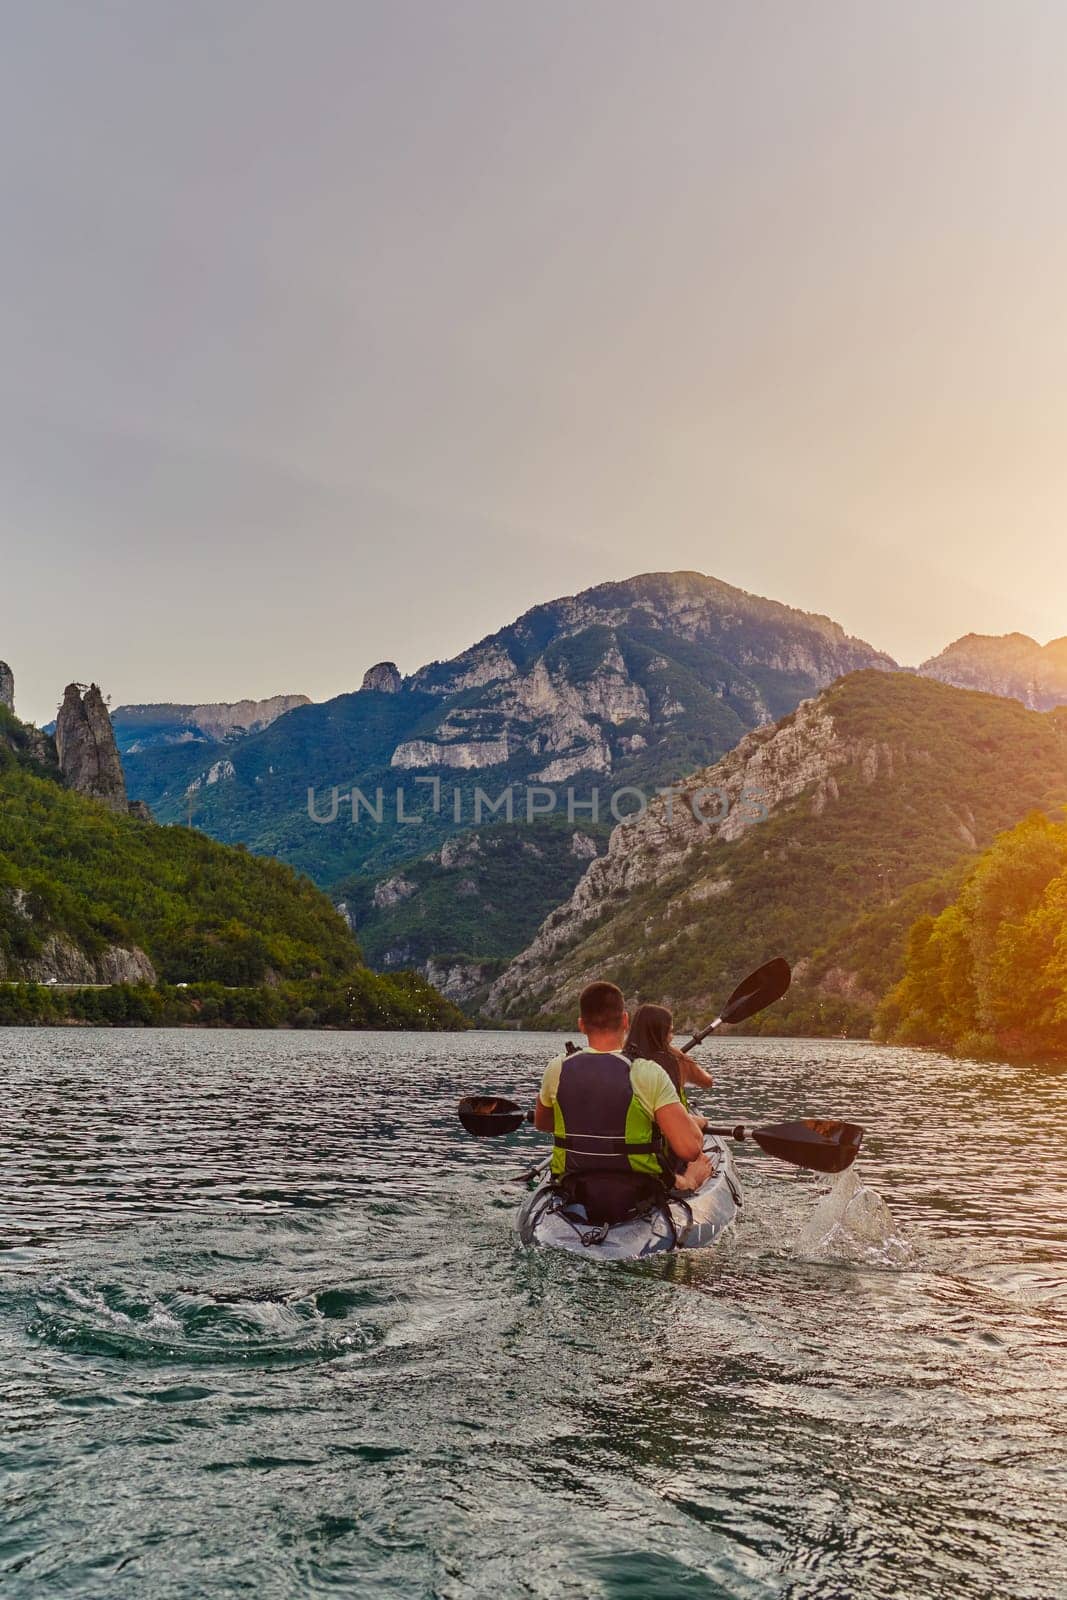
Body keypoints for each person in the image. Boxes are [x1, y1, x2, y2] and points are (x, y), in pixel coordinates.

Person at [532, 980, 712, 1224]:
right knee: (693, 1170)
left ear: (581, 1025)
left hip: (574, 1187)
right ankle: (689, 1182)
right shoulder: (648, 1072)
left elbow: (543, 1123)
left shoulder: (557, 1068)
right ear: (625, 1020)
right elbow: (689, 1149)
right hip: (638, 1193)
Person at [624, 1002, 714, 1108]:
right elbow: (707, 1081)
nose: (673, 1037)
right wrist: (681, 1056)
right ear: (662, 1034)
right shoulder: (677, 1060)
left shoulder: (622, 1058)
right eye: (670, 1032)